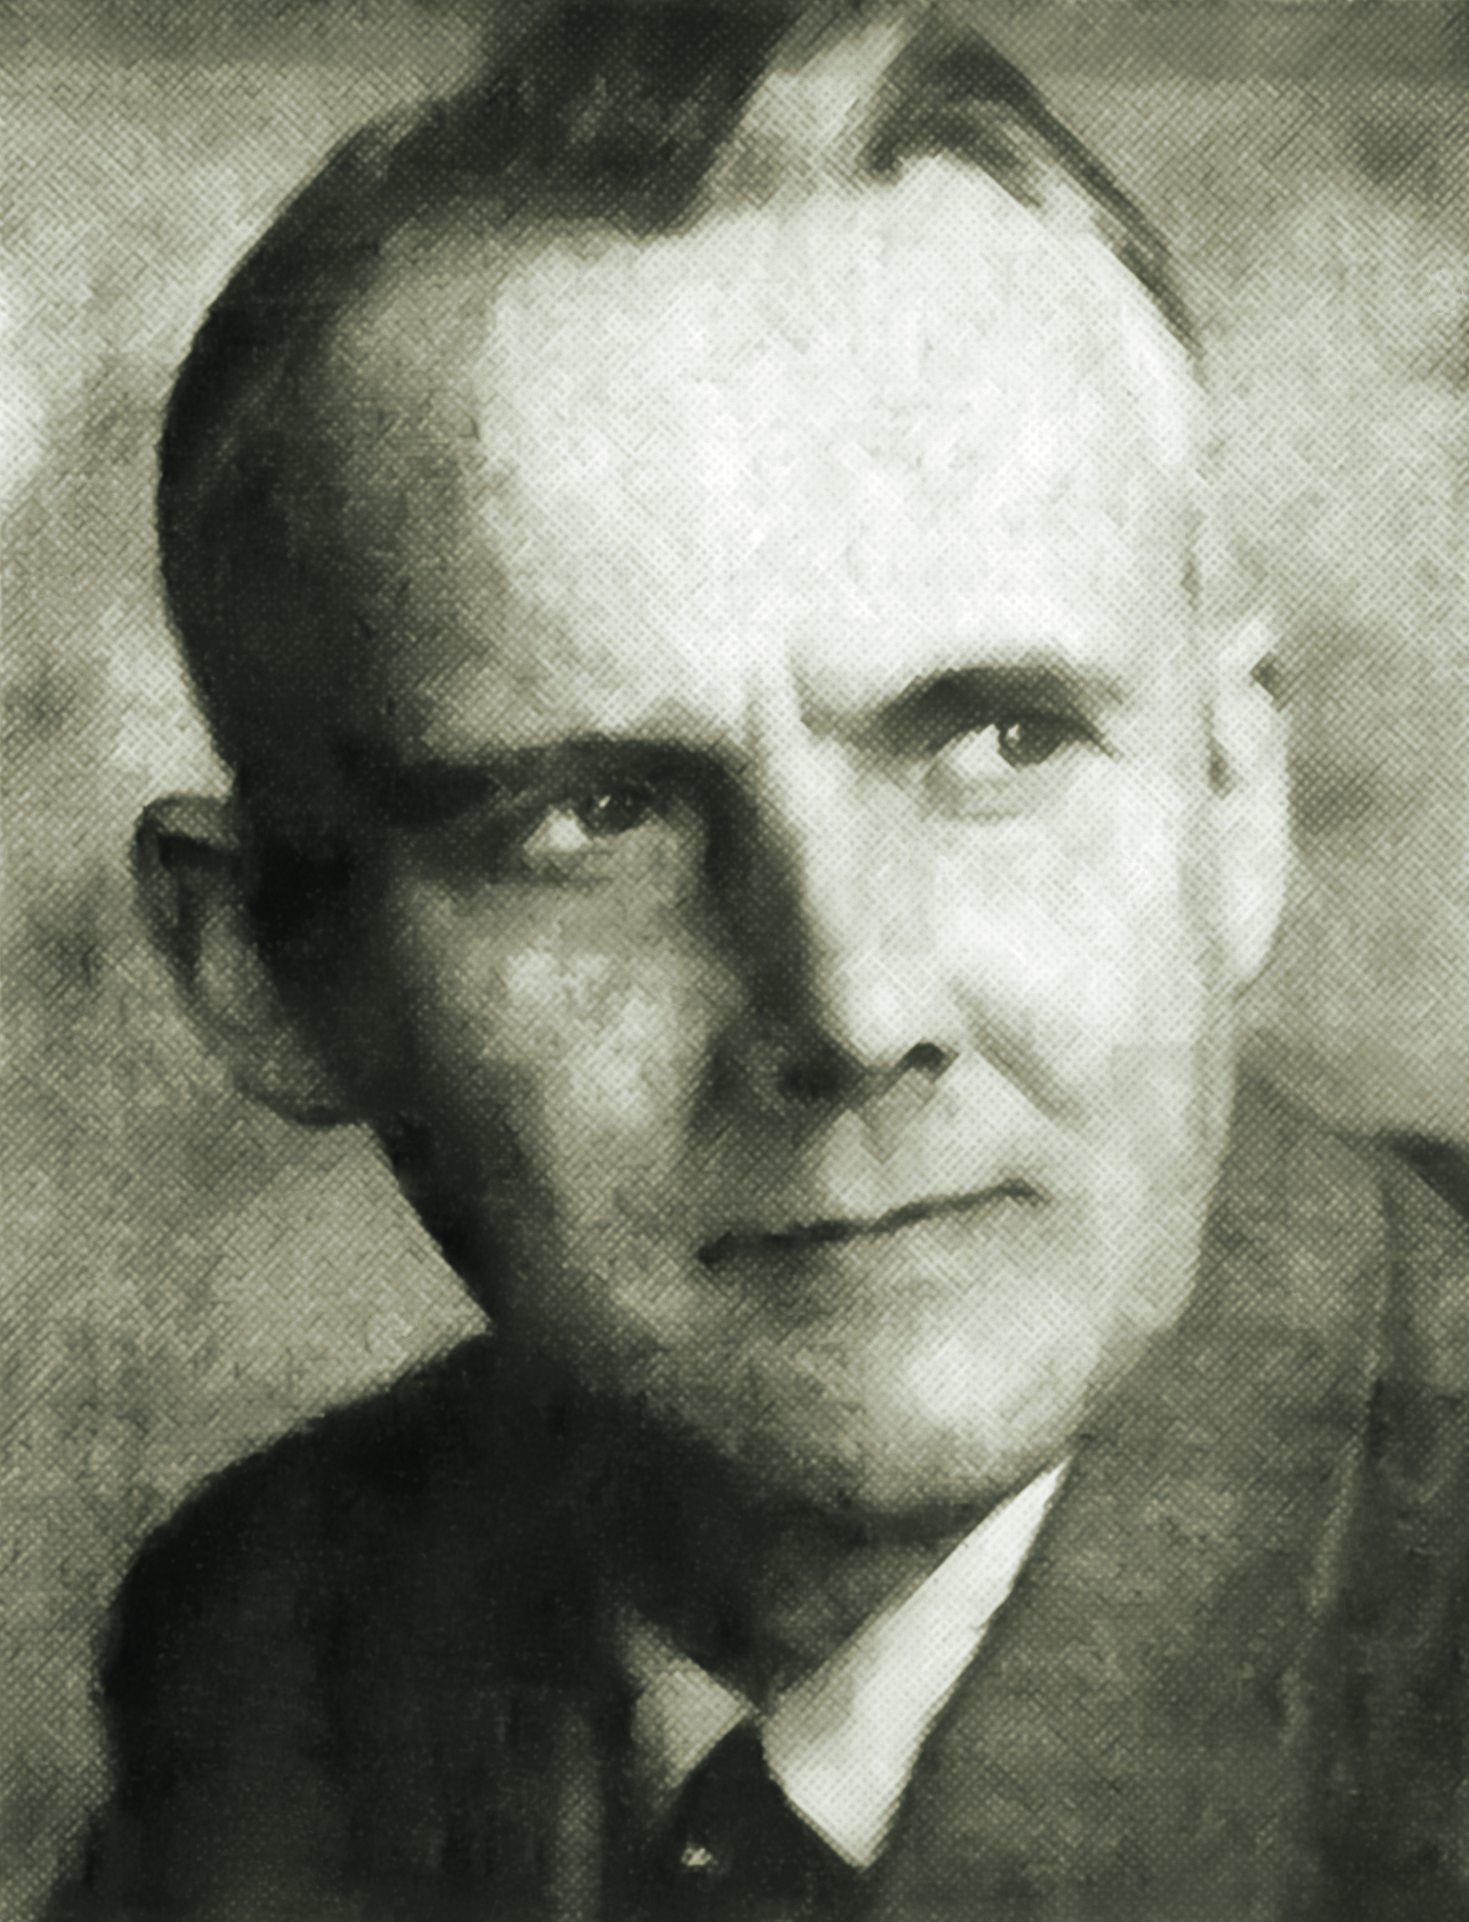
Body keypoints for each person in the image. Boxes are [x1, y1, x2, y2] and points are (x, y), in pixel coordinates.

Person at [52, 0, 1469, 1915]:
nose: (855, 1006)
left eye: (1001, 741)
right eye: (594, 817)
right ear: (266, 966)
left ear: (1236, 799)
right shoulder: (290, 1636)